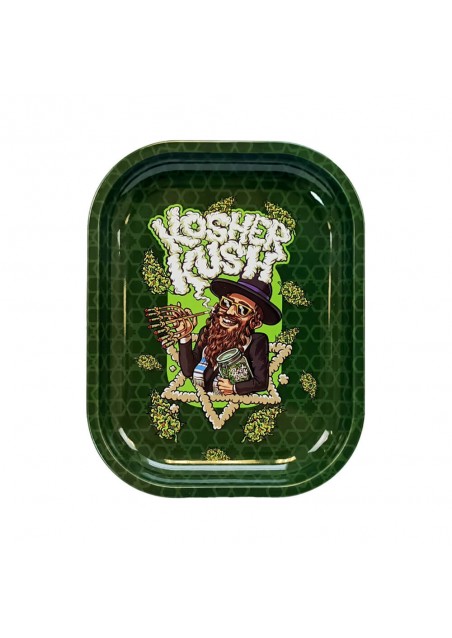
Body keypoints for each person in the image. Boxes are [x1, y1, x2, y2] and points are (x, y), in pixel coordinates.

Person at [176, 275, 281, 395]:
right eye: (227, 303)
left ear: (255, 323)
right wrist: (184, 336)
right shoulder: (208, 332)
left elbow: (261, 382)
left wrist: (234, 388)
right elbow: (188, 371)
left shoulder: (256, 341)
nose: (230, 312)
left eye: (242, 310)